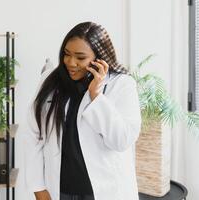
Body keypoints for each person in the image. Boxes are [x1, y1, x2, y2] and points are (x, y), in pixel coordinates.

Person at [23, 22, 142, 200]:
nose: (71, 63)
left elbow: (121, 140)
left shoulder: (122, 85)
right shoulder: (50, 80)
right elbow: (33, 135)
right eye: (67, 54)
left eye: (80, 57)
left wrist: (97, 96)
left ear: (99, 59)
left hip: (103, 191)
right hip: (59, 189)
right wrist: (38, 188)